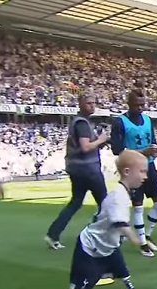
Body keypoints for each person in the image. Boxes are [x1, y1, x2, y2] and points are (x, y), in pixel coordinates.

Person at [60, 150, 152, 289]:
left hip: (109, 247)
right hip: (91, 248)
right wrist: (140, 242)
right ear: (126, 172)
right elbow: (121, 224)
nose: (145, 176)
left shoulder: (124, 193)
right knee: (81, 287)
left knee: (125, 275)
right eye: (142, 171)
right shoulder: (118, 196)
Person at [44, 94, 109, 250]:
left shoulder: (80, 122)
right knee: (105, 204)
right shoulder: (82, 123)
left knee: (76, 202)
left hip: (77, 169)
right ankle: (97, 234)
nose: (92, 105)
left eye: (94, 102)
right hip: (88, 169)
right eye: (88, 103)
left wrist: (99, 143)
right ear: (80, 104)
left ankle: (53, 234)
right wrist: (101, 140)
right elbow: (86, 147)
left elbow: (84, 146)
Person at [111, 89, 157, 257]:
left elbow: (153, 142)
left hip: (149, 166)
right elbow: (117, 150)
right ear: (128, 104)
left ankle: (146, 234)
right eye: (137, 105)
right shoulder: (120, 122)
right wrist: (143, 152)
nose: (140, 108)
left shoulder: (148, 120)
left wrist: (155, 150)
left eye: (143, 104)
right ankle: (142, 243)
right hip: (132, 170)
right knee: (138, 207)